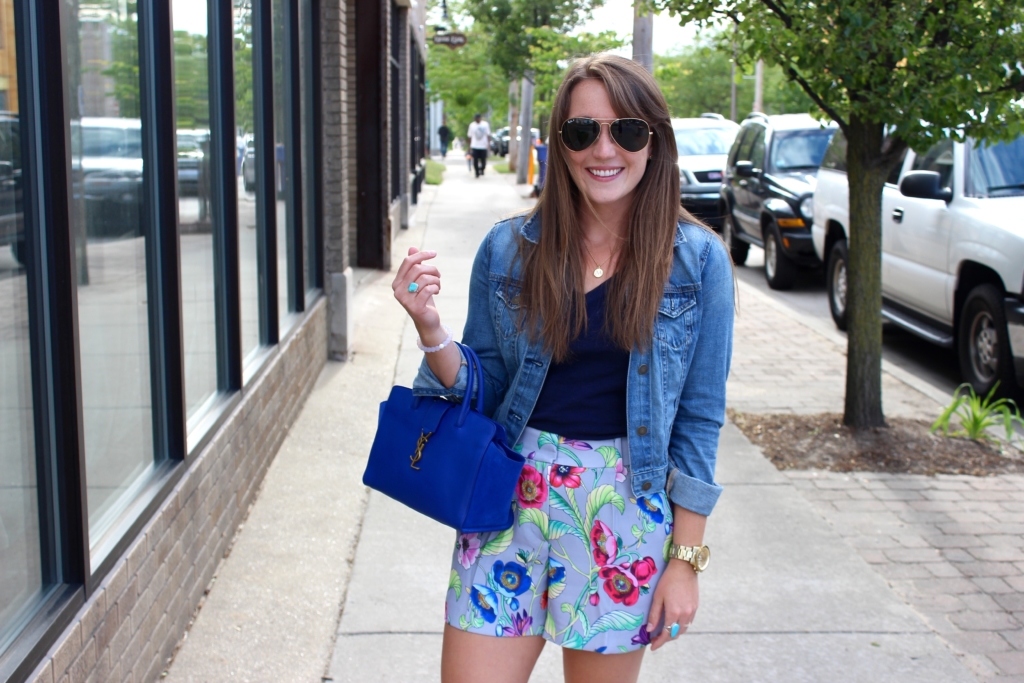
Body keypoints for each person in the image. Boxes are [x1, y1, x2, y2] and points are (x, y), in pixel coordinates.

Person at [392, 53, 733, 683]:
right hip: (508, 498)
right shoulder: (510, 247)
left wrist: (685, 560)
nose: (604, 149)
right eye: (583, 131)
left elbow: (699, 419)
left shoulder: (698, 263)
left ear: (654, 141)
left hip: (625, 509)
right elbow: (483, 384)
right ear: (560, 144)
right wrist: (431, 329)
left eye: (626, 130)